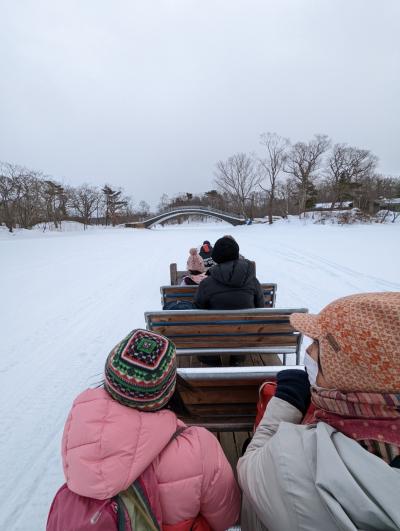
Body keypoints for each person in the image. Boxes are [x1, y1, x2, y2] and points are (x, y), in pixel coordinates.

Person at [237, 292, 400, 531]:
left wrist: (287, 401)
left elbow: (249, 469)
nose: (309, 349)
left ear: (346, 371)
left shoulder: (296, 459)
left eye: (317, 343)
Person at [60, 329, 240, 530]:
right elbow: (227, 517)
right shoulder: (199, 446)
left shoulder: (80, 425)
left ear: (109, 378)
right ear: (170, 389)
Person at [194, 236, 264, 310]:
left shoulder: (206, 284)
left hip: (217, 321)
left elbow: (199, 309)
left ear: (216, 257)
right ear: (236, 254)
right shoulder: (252, 281)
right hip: (248, 321)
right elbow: (260, 308)